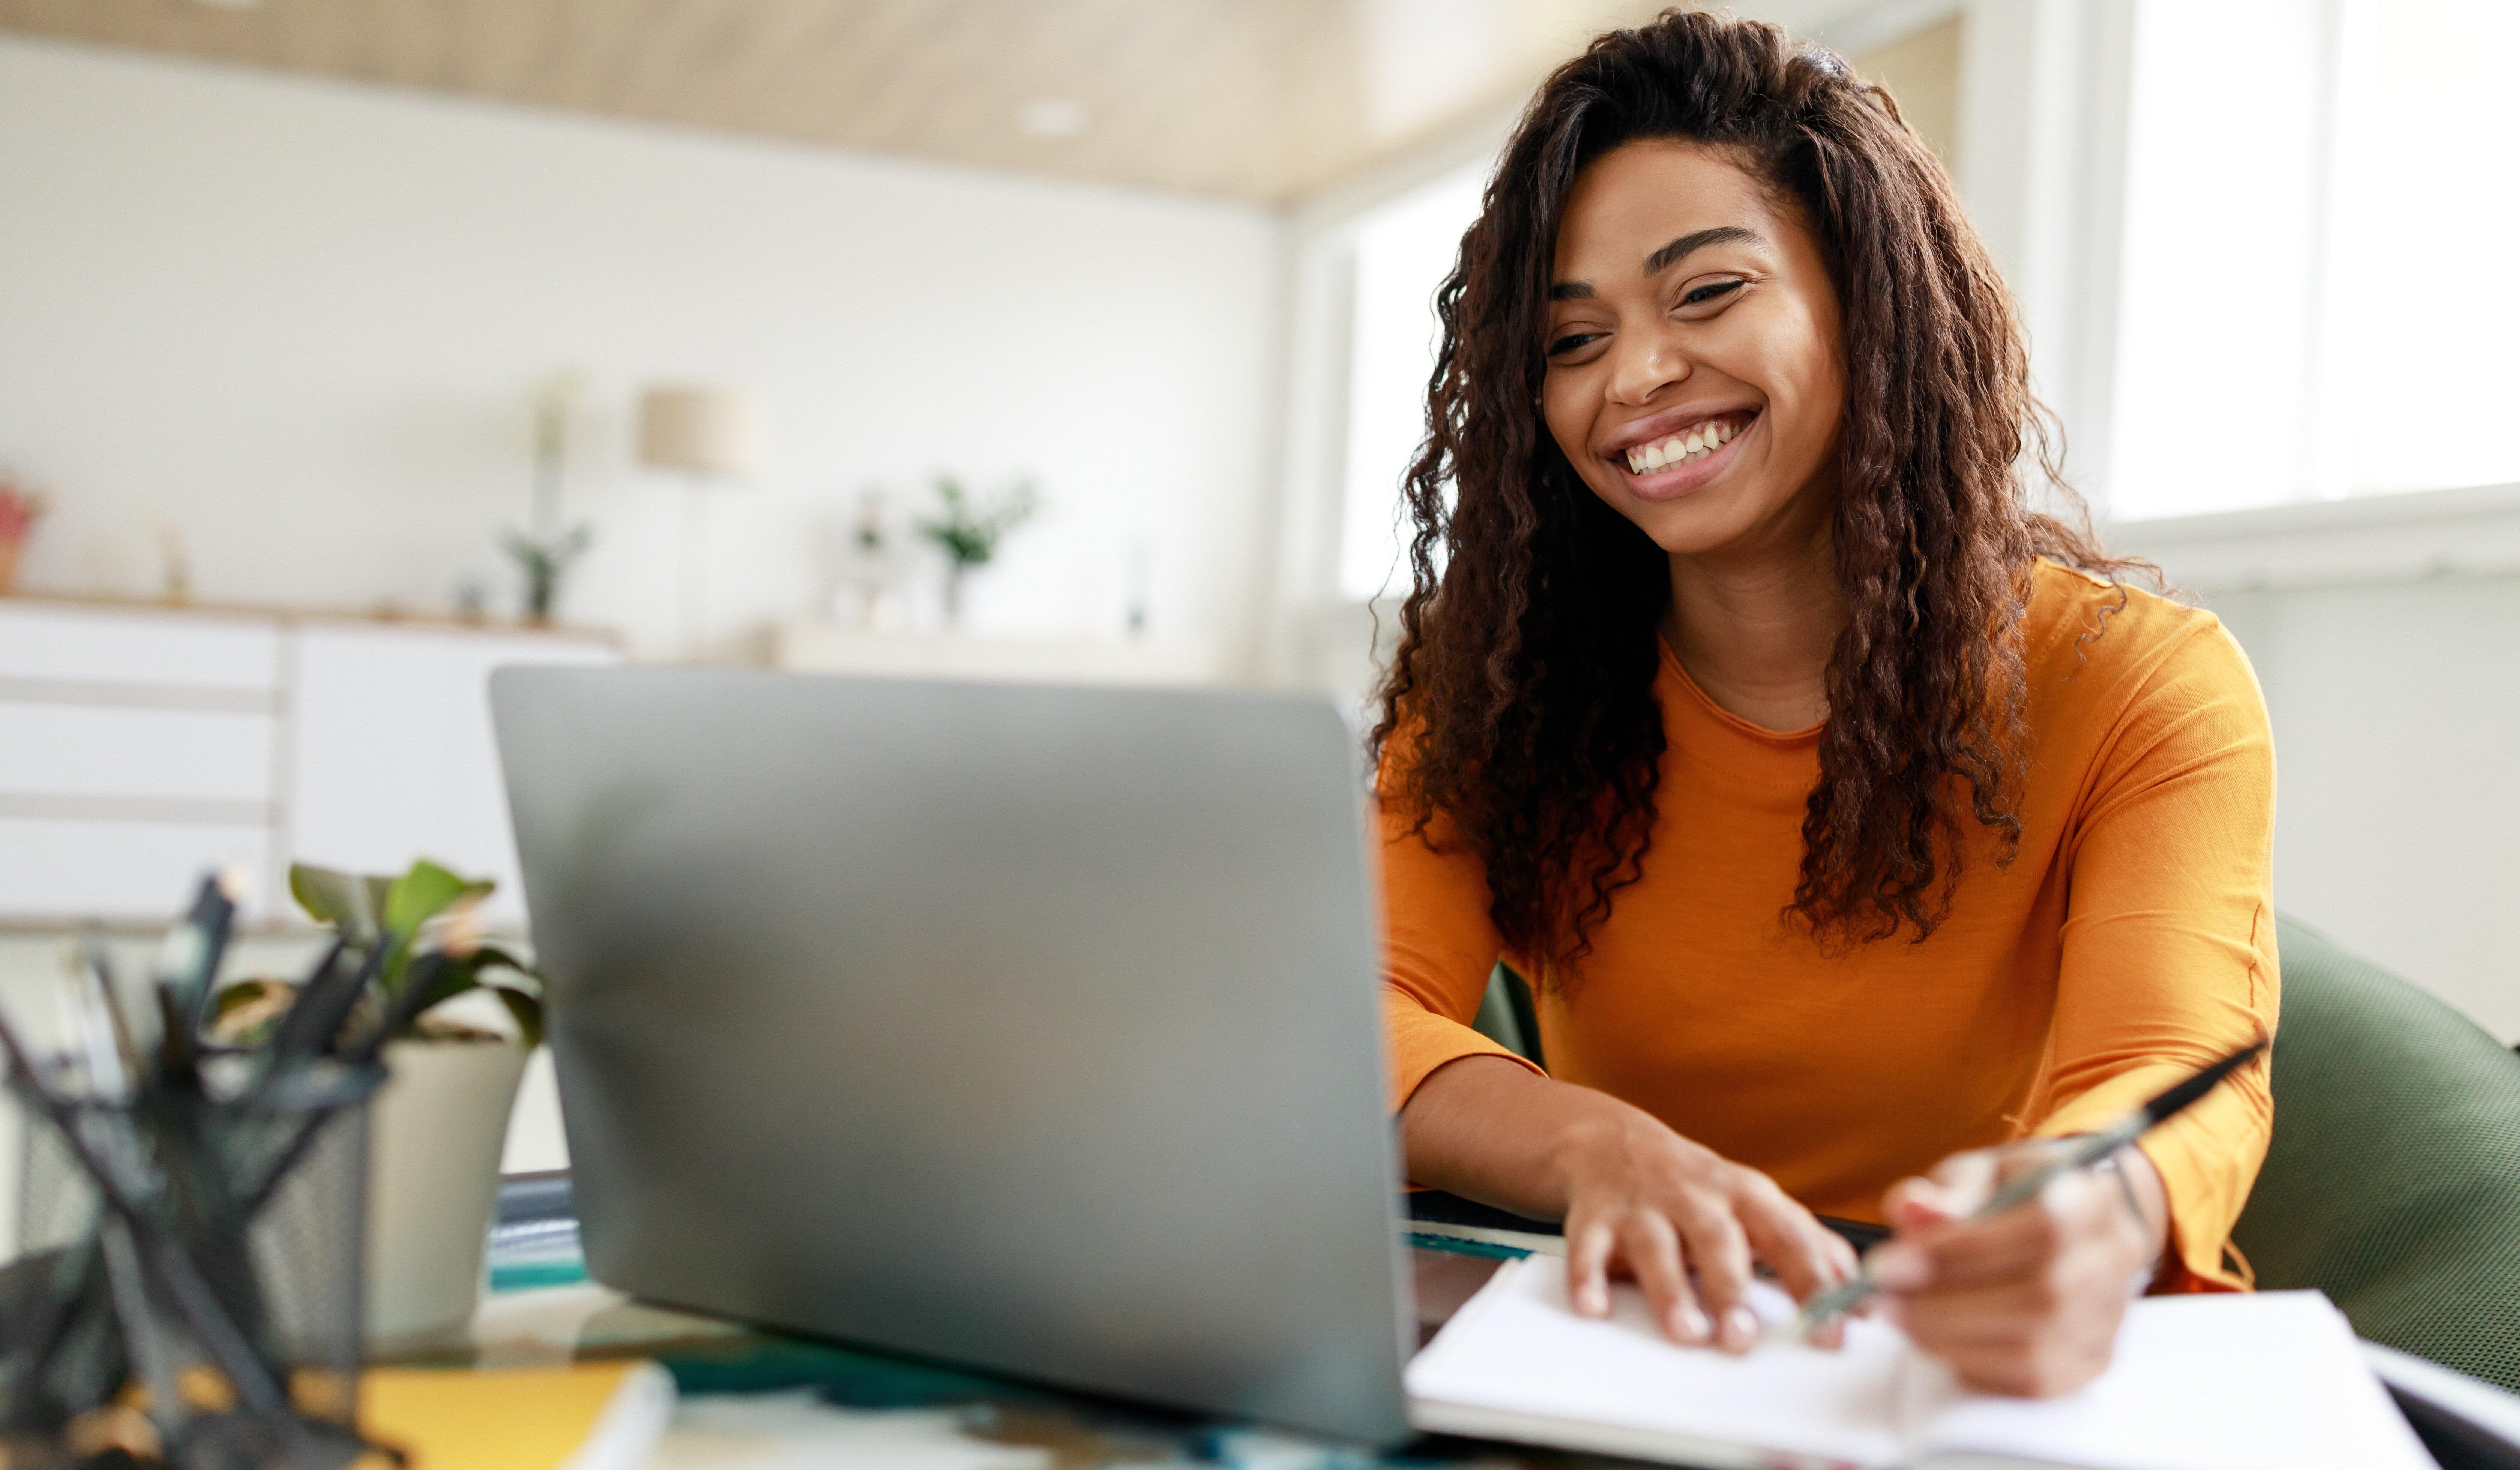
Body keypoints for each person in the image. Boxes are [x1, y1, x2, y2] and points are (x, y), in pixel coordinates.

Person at [1374, 9, 2276, 1397]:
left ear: (1869, 294)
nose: (1636, 377)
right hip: (1622, 1352)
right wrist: (1595, 1146)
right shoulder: (1499, 682)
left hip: (1957, 1377)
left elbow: (2171, 1069)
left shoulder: (2144, 682)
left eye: (1708, 292)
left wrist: (2095, 1212)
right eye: (1571, 339)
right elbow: (1353, 1008)